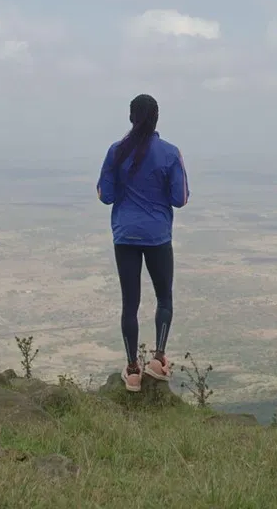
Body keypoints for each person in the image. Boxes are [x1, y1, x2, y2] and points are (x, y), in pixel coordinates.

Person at [96, 94, 190, 392]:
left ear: (130, 118)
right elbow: (180, 199)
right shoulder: (170, 153)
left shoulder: (115, 152)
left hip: (125, 235)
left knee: (130, 304)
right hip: (158, 236)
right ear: (157, 118)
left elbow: (105, 195)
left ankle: (132, 371)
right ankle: (158, 359)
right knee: (164, 298)